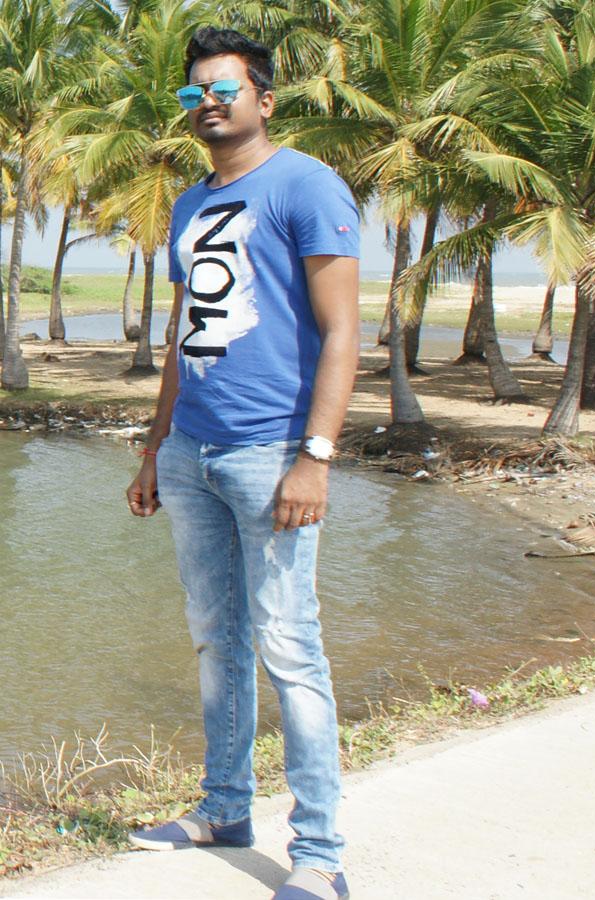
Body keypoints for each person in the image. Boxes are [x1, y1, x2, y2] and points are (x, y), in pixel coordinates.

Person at [126, 26, 359, 900]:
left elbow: (343, 331)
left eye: (224, 89)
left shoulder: (306, 184)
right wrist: (156, 448)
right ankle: (225, 808)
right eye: (194, 93)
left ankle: (320, 854)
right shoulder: (190, 204)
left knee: (291, 648)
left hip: (272, 452)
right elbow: (184, 337)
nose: (208, 104)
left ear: (264, 98)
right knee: (216, 640)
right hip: (192, 452)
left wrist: (316, 457)